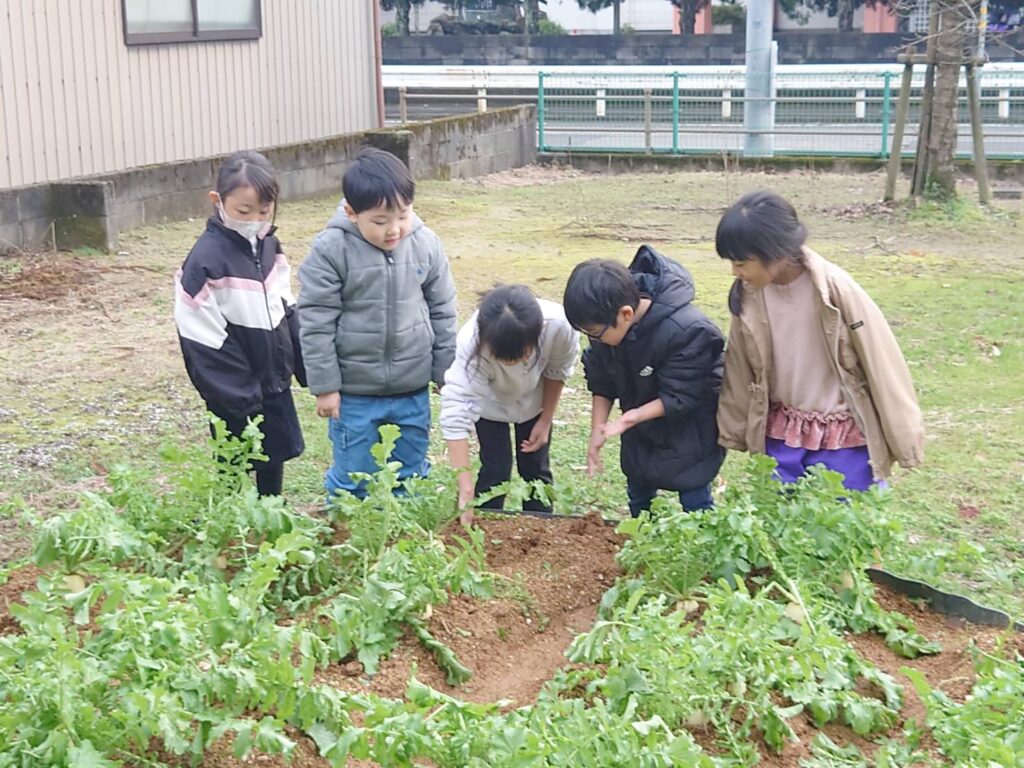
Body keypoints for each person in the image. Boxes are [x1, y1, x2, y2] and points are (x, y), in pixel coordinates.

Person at [715, 190, 924, 490]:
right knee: (781, 525)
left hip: (841, 439)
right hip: (781, 435)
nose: (735, 271)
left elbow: (883, 364)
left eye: (742, 262)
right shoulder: (748, 297)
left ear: (775, 251)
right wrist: (734, 430)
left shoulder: (836, 291)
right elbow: (739, 368)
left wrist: (905, 437)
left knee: (843, 523)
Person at [298, 147, 457, 500]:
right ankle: (345, 540)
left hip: (412, 387)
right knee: (353, 476)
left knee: (410, 475)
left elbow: (443, 309)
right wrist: (325, 386)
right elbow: (315, 322)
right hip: (354, 393)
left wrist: (445, 371)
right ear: (351, 213)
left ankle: (405, 543)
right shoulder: (330, 250)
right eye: (380, 221)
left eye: (402, 215)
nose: (394, 230)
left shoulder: (426, 244)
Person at [174, 150, 305, 497]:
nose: (255, 220)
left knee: (272, 456)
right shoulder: (204, 262)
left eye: (264, 211)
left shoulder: (269, 246)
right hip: (233, 389)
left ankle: (271, 521)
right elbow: (202, 337)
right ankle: (232, 527)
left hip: (272, 377)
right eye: (243, 211)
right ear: (217, 201)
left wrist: (301, 365)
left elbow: (285, 305)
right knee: (234, 460)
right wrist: (240, 392)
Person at [563, 247, 726, 517]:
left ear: (625, 313)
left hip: (689, 431)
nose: (592, 339)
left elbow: (683, 394)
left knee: (695, 500)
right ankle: (641, 541)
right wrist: (597, 430)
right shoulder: (609, 329)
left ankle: (702, 549)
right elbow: (601, 379)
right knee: (639, 494)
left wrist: (631, 417)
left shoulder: (689, 331)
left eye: (594, 333)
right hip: (640, 431)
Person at [441, 285, 579, 525]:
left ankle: (541, 528)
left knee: (536, 468)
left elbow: (557, 371)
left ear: (538, 334)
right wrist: (465, 490)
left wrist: (546, 419)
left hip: (536, 401)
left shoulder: (558, 325)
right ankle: (484, 524)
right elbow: (456, 413)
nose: (512, 362)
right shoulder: (471, 343)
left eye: (521, 355)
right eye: (503, 358)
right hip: (490, 404)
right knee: (496, 468)